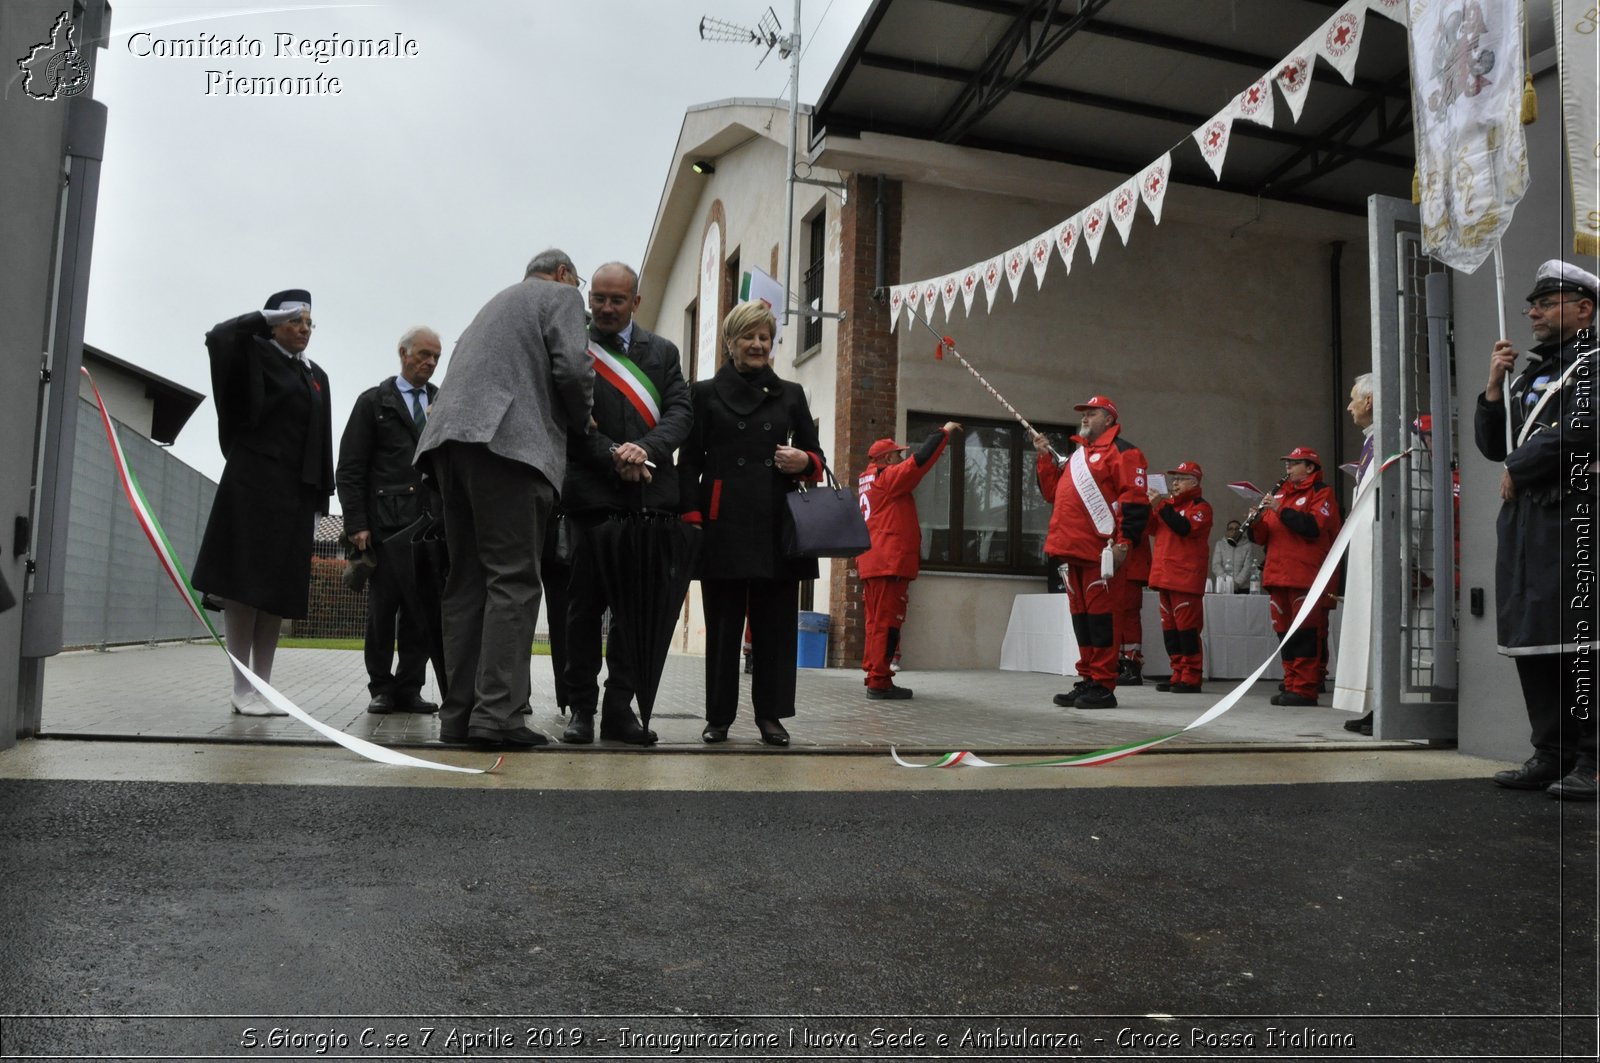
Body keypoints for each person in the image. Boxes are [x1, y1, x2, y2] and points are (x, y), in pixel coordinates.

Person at [414, 249, 593, 750]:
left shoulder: (494, 306)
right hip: (510, 447)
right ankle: (497, 715)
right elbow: (574, 371)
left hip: (449, 444)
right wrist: (585, 422)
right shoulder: (560, 296)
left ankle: (460, 715)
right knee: (513, 579)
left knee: (467, 583)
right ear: (562, 273)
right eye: (575, 279)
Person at [1473, 259, 1598, 800]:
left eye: (1545, 303)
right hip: (1528, 521)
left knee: (1582, 640)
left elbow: (1582, 431)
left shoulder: (1593, 363)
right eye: (1533, 303)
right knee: (1534, 638)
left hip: (1575, 512)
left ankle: (1591, 759)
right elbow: (1496, 447)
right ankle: (1551, 753)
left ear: (1584, 308)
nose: (1532, 313)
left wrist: (1519, 469)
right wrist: (1494, 388)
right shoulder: (1531, 373)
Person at [679, 300, 824, 746]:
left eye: (766, 337)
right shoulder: (702, 393)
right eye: (749, 337)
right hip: (723, 523)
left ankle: (771, 716)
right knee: (723, 627)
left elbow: (817, 460)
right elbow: (689, 464)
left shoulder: (792, 395)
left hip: (776, 524)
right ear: (730, 342)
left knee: (776, 626)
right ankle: (718, 717)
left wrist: (804, 460)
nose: (759, 345)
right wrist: (693, 518)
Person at [558, 263, 692, 747]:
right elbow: (572, 421)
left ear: (636, 302)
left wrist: (647, 450)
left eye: (617, 300)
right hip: (593, 497)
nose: (606, 308)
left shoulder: (663, 353)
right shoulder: (574, 349)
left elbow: (681, 412)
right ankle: (579, 709)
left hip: (648, 498)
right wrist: (615, 456)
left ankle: (620, 710)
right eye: (598, 298)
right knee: (583, 610)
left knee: (635, 611)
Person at [192, 289, 333, 717]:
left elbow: (321, 439)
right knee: (244, 589)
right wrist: (263, 317)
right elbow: (218, 337)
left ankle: (264, 688)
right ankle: (241, 688)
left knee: (275, 593)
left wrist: (320, 498)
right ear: (274, 324)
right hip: (252, 486)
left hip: (294, 494)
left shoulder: (316, 374)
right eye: (295, 320)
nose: (304, 329)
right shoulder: (252, 353)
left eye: (309, 322)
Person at [336, 325, 443, 716]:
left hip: (429, 527)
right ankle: (381, 688)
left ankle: (410, 688)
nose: (430, 363)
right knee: (383, 613)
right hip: (384, 527)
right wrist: (356, 523)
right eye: (423, 355)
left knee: (422, 612)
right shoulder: (373, 403)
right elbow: (349, 468)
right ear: (403, 353)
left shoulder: (442, 401)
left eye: (436, 357)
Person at [1034, 395, 1150, 710]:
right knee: (1082, 622)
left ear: (1109, 419)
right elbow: (1052, 495)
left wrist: (1125, 543)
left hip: (1102, 552)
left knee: (1102, 621)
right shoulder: (1077, 457)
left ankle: (1103, 684)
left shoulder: (1125, 452)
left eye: (1092, 413)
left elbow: (1135, 500)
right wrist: (1044, 459)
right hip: (1070, 550)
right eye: (1084, 413)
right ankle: (1087, 678)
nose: (1085, 417)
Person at [855, 422, 961, 699]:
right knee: (887, 623)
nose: (901, 458)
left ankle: (874, 675)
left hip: (873, 562)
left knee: (875, 622)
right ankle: (879, 681)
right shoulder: (886, 478)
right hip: (889, 562)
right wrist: (944, 432)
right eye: (897, 455)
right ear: (886, 459)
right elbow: (920, 462)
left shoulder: (868, 480)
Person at [1248, 446, 1341, 706]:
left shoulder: (1321, 493)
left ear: (1310, 467)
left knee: (1305, 633)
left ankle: (1305, 688)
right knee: (1284, 632)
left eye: (1294, 463)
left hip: (1304, 574)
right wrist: (1255, 523)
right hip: (1277, 574)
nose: (1287, 468)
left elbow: (1311, 528)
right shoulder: (1280, 494)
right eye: (1286, 463)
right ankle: (1291, 682)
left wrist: (1280, 509)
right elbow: (1264, 536)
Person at [1335, 372, 1378, 733]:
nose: (1349, 406)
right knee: (1367, 630)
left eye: (1354, 399)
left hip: (1383, 555)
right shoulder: (1372, 442)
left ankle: (1384, 705)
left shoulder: (1391, 441)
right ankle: (1375, 704)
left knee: (1379, 630)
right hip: (1367, 553)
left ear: (1370, 402)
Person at [1147, 461, 1212, 693]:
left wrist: (1161, 506)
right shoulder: (1169, 506)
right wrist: (1147, 507)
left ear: (1194, 482)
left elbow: (1184, 528)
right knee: (1171, 632)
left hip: (1185, 579)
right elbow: (1151, 528)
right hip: (1165, 577)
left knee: (1187, 631)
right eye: (1173, 479)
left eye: (1180, 479)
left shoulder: (1201, 507)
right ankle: (1178, 673)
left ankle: (1192, 676)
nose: (1174, 483)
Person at [1211, 520, 1259, 593]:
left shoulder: (1248, 545)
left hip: (1242, 588)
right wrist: (1227, 582)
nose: (1234, 531)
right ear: (1227, 531)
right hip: (1223, 586)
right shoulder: (1220, 544)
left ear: (1241, 531)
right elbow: (1216, 565)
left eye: (1237, 529)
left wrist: (1237, 583)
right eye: (1231, 529)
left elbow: (1248, 567)